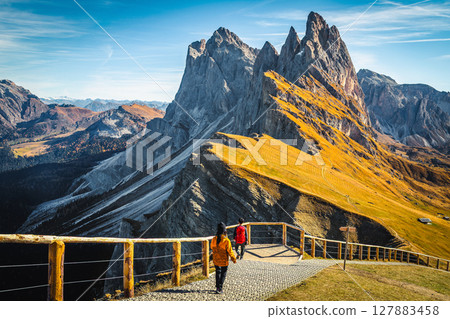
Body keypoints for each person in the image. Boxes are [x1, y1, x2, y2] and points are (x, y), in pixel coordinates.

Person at [211, 222, 236, 294]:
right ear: (224, 231)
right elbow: (230, 251)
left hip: (216, 259)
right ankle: (220, 287)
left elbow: (212, 247)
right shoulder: (226, 240)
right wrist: (233, 258)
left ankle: (217, 287)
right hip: (224, 260)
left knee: (217, 272)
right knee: (223, 273)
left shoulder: (214, 239)